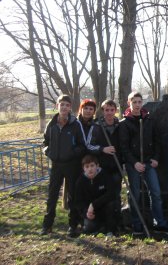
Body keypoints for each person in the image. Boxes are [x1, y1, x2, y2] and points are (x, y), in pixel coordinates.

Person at [119, 91, 168, 235]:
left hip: (149, 162)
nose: (137, 105)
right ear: (129, 103)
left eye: (139, 102)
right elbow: (123, 147)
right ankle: (136, 224)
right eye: (134, 102)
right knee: (135, 195)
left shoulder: (149, 120)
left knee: (155, 192)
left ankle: (159, 222)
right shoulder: (124, 124)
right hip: (133, 165)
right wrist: (134, 163)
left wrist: (156, 158)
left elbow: (157, 141)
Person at [40, 94, 86, 237]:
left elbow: (82, 145)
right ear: (57, 106)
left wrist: (72, 154)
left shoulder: (75, 124)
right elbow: (45, 142)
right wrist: (48, 152)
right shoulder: (52, 124)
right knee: (52, 195)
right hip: (56, 165)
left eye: (67, 105)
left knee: (72, 196)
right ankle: (47, 225)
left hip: (72, 165)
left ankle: (73, 226)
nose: (64, 107)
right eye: (62, 104)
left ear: (70, 107)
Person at [88, 99, 123, 228]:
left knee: (116, 194)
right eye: (106, 110)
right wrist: (102, 149)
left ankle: (118, 222)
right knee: (102, 196)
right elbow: (89, 145)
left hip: (116, 167)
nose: (109, 113)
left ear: (115, 111)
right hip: (101, 168)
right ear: (102, 111)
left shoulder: (120, 125)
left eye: (112, 110)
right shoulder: (96, 126)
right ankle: (102, 222)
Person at [75, 154, 117, 236]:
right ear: (83, 168)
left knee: (112, 205)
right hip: (90, 213)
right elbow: (78, 202)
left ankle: (109, 230)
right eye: (87, 167)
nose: (90, 169)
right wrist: (86, 213)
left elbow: (111, 194)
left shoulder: (105, 175)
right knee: (89, 228)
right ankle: (98, 228)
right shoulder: (80, 181)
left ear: (97, 166)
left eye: (92, 166)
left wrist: (94, 204)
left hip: (104, 209)